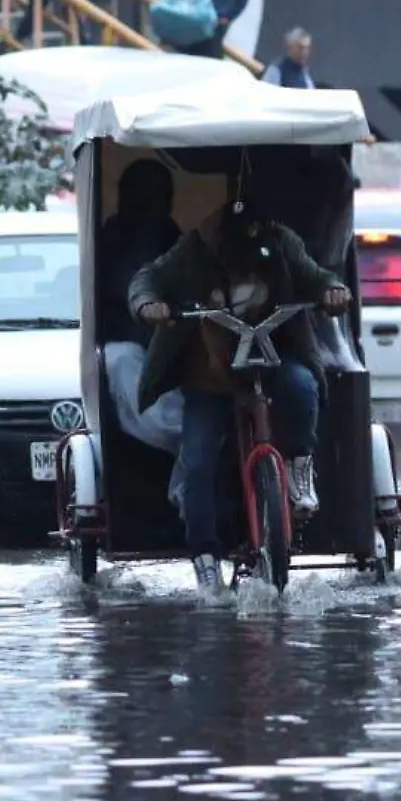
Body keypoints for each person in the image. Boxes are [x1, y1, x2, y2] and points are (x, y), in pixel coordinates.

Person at [129, 194, 349, 592]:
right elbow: (148, 279)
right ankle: (205, 558)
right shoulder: (194, 249)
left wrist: (333, 291)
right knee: (196, 461)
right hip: (210, 377)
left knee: (303, 387)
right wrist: (148, 304)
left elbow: (316, 276)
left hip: (274, 362)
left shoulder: (283, 243)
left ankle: (299, 468)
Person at [101, 160, 186, 462]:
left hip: (169, 343)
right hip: (125, 343)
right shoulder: (110, 239)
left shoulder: (172, 235)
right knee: (122, 359)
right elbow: (124, 291)